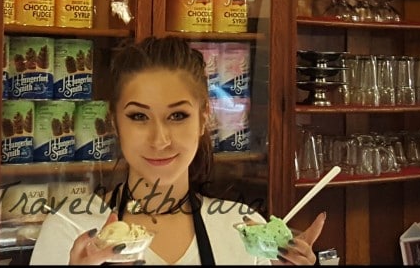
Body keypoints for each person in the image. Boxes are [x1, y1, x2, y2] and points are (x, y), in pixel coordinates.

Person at [30, 36, 325, 265]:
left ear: (204, 118)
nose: (159, 140)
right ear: (114, 122)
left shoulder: (243, 228)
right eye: (139, 116)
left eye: (178, 116)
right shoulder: (71, 231)